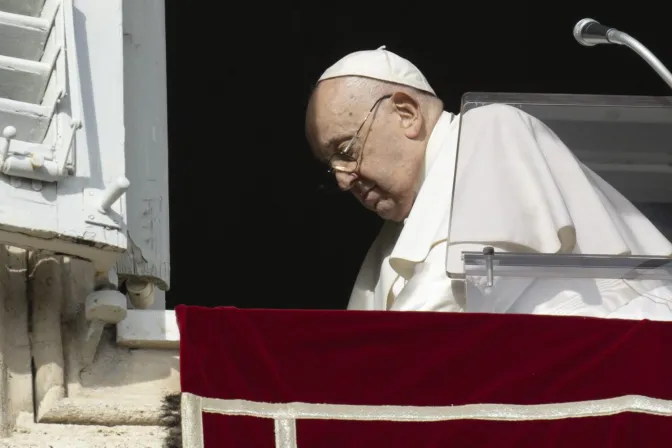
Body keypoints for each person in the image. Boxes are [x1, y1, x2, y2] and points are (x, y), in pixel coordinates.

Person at [305, 46, 672, 319]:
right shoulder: (393, 235)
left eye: (347, 149)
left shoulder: (490, 128)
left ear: (406, 113)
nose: (342, 178)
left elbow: (450, 298)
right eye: (330, 164)